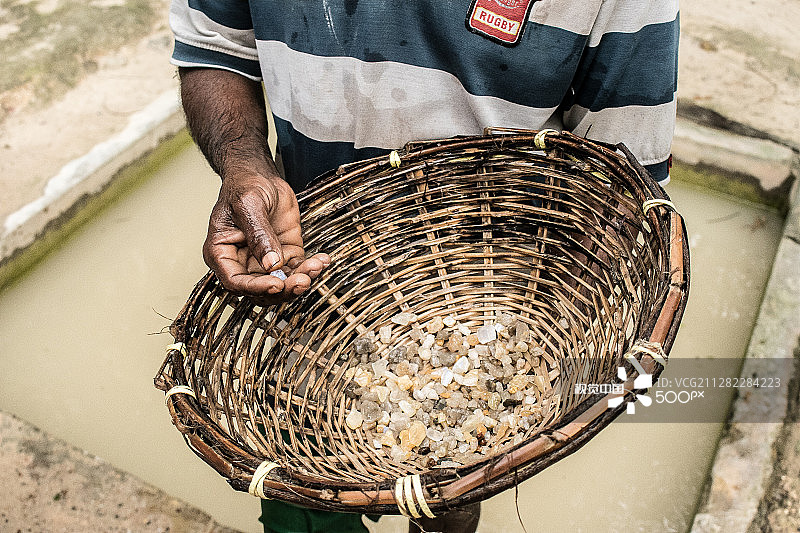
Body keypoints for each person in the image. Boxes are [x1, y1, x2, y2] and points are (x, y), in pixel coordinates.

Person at [169, 1, 679, 531]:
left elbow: (624, 199)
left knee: (446, 500)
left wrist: (528, 366)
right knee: (302, 510)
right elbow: (215, 47)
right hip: (302, 291)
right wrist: (244, 162)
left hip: (485, 311)